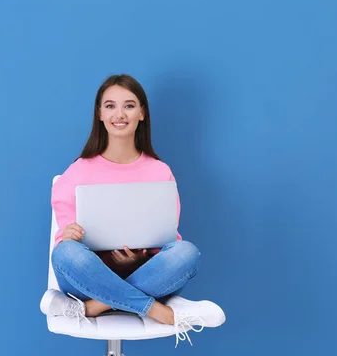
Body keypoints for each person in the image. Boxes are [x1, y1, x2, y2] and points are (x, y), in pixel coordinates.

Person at [40, 74, 225, 346]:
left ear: (141, 113)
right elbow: (66, 244)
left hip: (145, 272)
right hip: (88, 278)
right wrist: (69, 235)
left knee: (187, 251)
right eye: (110, 106)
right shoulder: (78, 171)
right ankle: (154, 310)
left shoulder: (159, 172)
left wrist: (139, 257)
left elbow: (168, 240)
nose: (120, 114)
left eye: (128, 105)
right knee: (66, 253)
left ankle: (94, 307)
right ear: (100, 114)